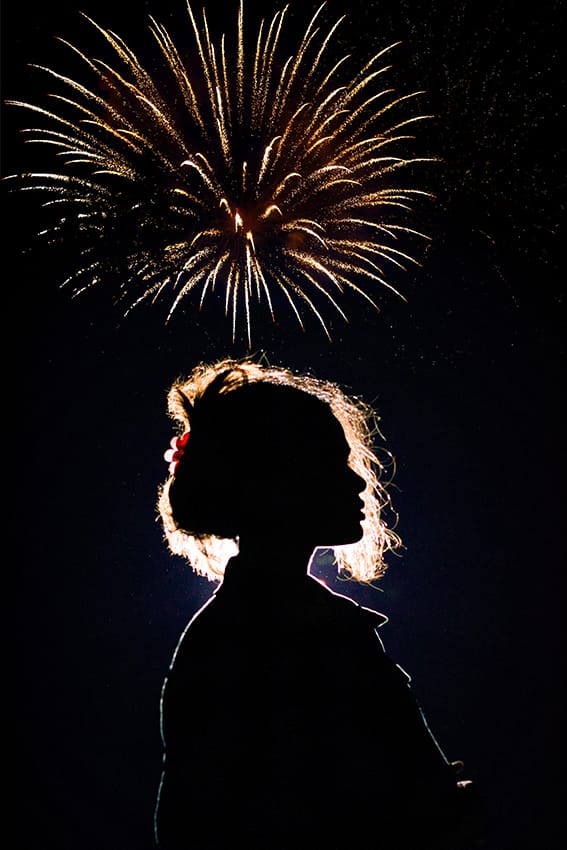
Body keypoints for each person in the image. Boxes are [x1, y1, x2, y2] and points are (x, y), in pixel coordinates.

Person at [154, 357, 482, 849]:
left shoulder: (281, 622)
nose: (359, 483)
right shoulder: (271, 633)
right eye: (331, 462)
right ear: (273, 483)